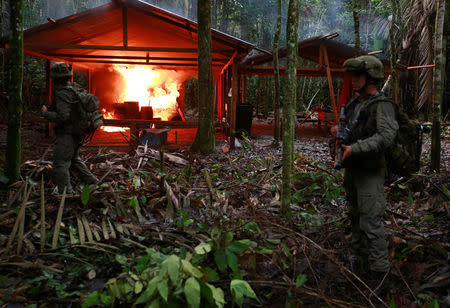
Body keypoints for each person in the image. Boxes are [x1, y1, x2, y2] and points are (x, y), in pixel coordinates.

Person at [333, 56, 399, 291]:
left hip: (370, 172)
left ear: (371, 78)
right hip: (353, 170)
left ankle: (381, 274)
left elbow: (386, 137)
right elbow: (352, 130)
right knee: (355, 218)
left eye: (358, 76)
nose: (353, 80)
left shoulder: (383, 106)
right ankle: (360, 267)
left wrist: (355, 148)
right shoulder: (355, 104)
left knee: (371, 222)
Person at [42, 62, 98, 194]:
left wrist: (46, 113)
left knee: (61, 163)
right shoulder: (74, 88)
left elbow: (64, 116)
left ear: (55, 78)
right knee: (73, 159)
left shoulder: (62, 93)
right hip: (78, 132)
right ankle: (93, 182)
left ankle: (66, 193)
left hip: (68, 134)